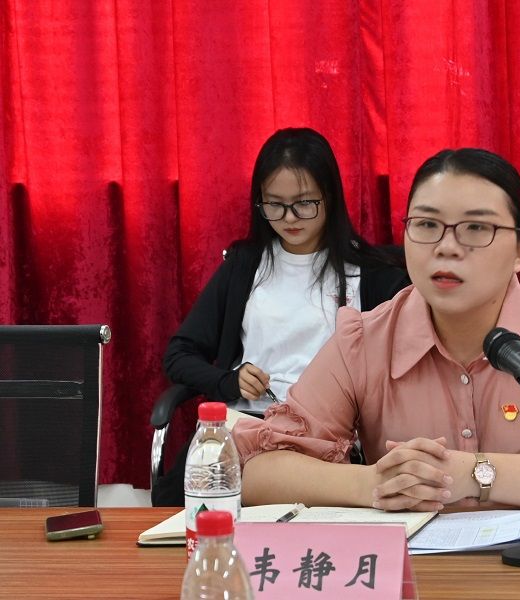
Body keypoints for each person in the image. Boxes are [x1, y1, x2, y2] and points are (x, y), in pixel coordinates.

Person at [233, 148, 520, 510]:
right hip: (419, 575)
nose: (447, 247)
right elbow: (261, 471)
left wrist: (468, 473)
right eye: (427, 225)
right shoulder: (362, 340)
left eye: (476, 228)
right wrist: (375, 482)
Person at [154, 127, 409, 507]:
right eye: (274, 204)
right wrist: (229, 380)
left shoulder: (372, 273)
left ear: (330, 197)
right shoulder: (246, 265)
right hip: (248, 427)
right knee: (192, 507)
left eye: (304, 204)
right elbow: (179, 354)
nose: (289, 218)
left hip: (326, 435)